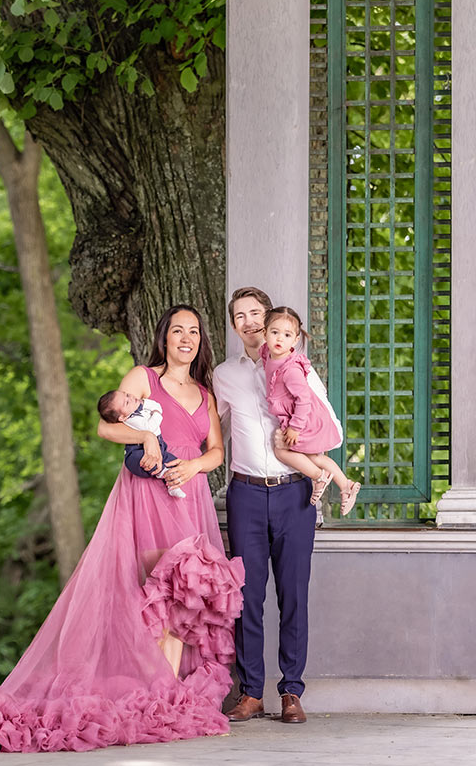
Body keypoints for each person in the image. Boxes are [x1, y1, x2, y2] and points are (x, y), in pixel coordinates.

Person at [0, 305, 243, 754]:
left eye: (193, 331)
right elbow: (105, 427)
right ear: (165, 337)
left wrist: (192, 466)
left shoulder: (205, 394)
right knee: (151, 590)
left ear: (201, 340)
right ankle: (150, 690)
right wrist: (147, 438)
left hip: (188, 498)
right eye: (178, 330)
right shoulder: (143, 378)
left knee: (182, 599)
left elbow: (214, 451)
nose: (186, 339)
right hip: (147, 498)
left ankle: (168, 695)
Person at [213, 287, 314, 726]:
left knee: (293, 596)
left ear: (270, 319)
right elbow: (207, 429)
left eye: (257, 313)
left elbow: (328, 423)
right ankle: (251, 692)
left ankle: (291, 690)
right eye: (241, 315)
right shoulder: (223, 375)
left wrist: (322, 468)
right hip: (246, 494)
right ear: (233, 324)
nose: (250, 322)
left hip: (294, 492)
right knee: (246, 596)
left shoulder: (298, 367)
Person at [261, 306, 360, 516]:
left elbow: (304, 399)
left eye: (287, 335)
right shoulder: (267, 353)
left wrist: (295, 428)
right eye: (274, 332)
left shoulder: (291, 370)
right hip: (297, 414)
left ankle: (319, 477)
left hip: (304, 417)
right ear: (265, 333)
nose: (280, 338)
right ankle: (345, 485)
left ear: (295, 340)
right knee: (313, 456)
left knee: (283, 450)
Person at [96, 389, 185, 498]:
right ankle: (163, 474)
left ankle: (173, 485)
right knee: (147, 461)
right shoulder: (132, 419)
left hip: (158, 444)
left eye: (127, 394)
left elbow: (156, 405)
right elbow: (150, 428)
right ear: (122, 417)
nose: (131, 398)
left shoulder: (140, 406)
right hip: (137, 451)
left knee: (172, 462)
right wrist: (157, 413)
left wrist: (146, 403)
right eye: (127, 402)